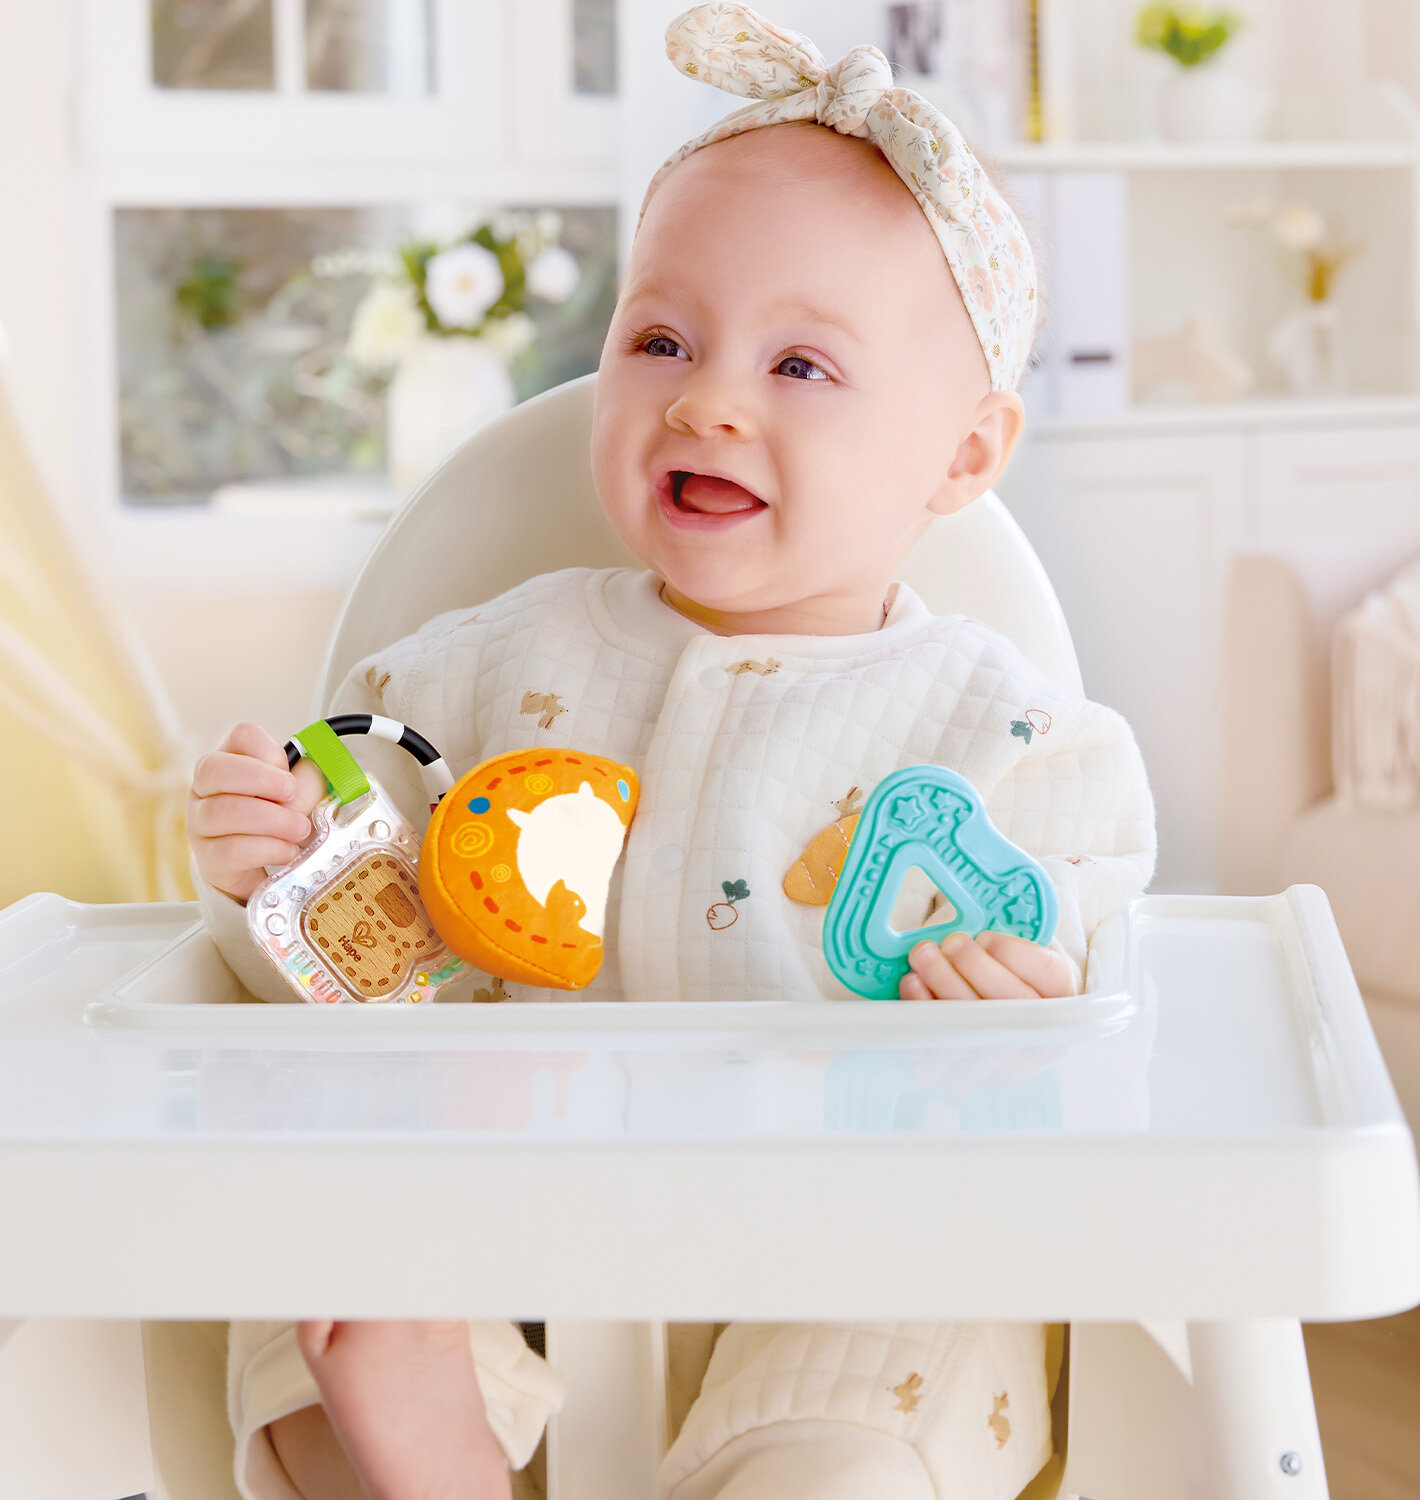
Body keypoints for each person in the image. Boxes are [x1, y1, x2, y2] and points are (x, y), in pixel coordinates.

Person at [187, 6, 1156, 1498]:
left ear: (963, 453)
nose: (707, 399)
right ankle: (431, 1453)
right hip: (503, 1220)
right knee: (322, 1271)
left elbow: (1111, 1008)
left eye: (801, 366)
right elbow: (362, 976)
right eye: (660, 341)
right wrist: (275, 874)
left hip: (850, 1256)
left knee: (898, 1379)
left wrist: (1033, 1018)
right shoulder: (474, 667)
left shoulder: (1010, 737)